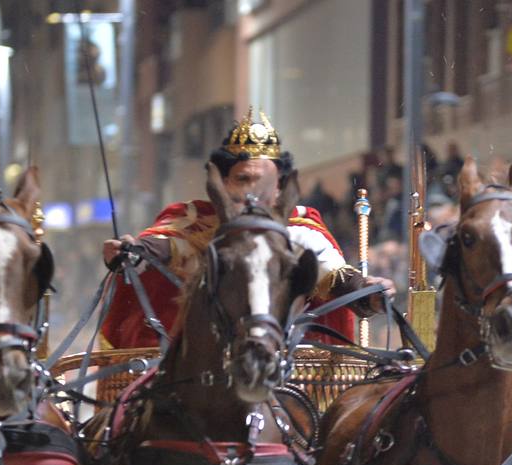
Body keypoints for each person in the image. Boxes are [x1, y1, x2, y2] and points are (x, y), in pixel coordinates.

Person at [99, 108, 391, 349]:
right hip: (199, 359)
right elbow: (167, 247)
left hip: (280, 363)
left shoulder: (300, 230)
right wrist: (132, 251)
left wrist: (367, 292)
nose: (254, 193)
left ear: (280, 189)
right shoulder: (194, 223)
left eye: (264, 183)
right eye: (243, 179)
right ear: (223, 184)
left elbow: (331, 276)